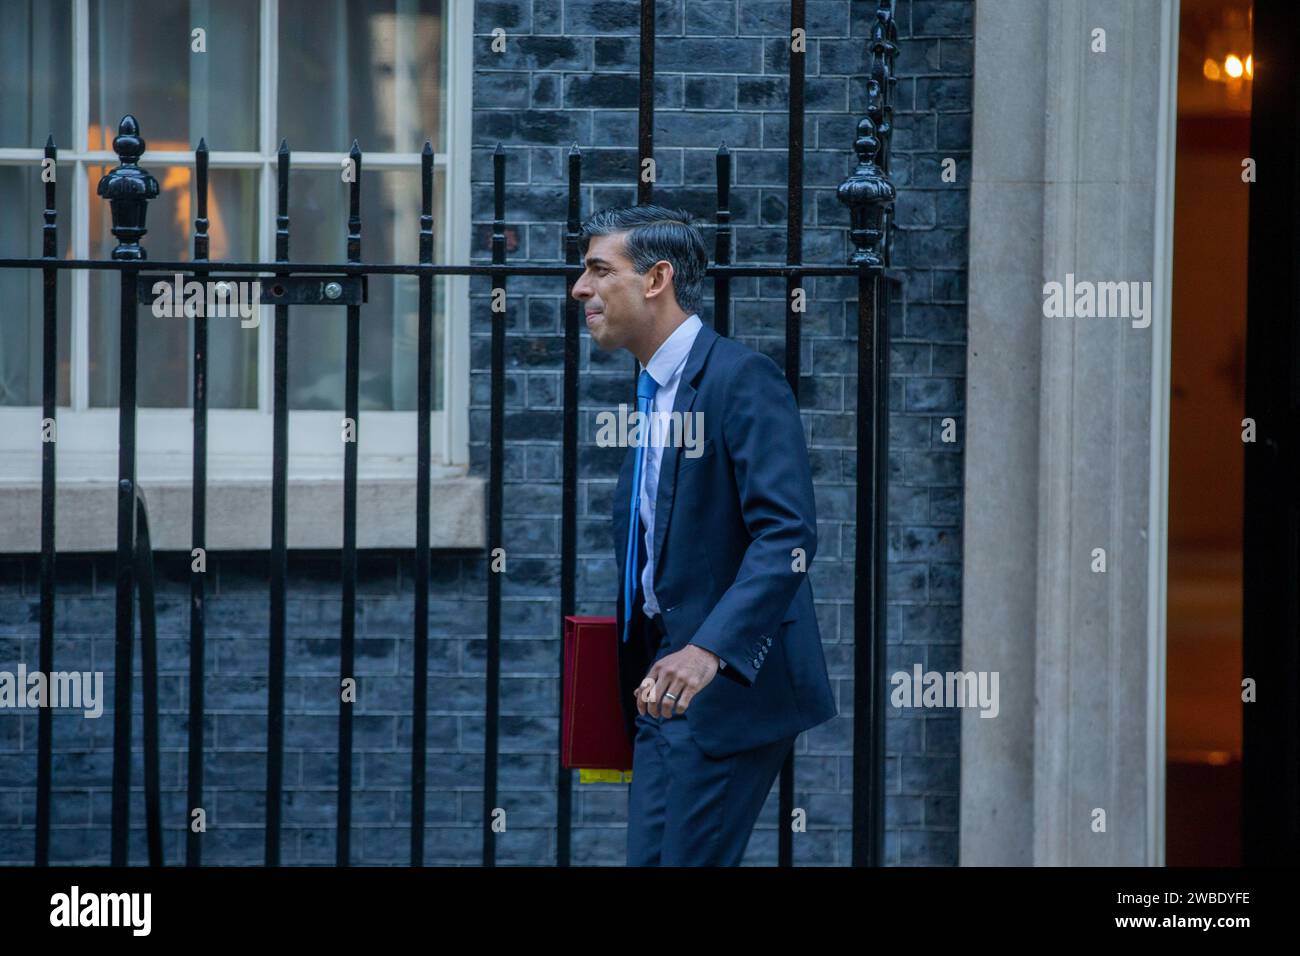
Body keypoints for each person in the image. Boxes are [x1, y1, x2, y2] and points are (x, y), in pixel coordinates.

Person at [572, 204, 838, 866]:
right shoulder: (652, 390)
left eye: (599, 270)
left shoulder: (740, 379)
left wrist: (707, 652)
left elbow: (789, 536)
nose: (581, 288)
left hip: (721, 688)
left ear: (656, 279)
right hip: (659, 687)